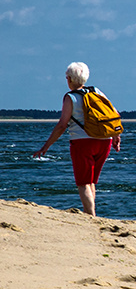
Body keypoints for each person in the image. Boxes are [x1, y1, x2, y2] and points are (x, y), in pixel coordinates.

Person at [33, 61, 121, 217]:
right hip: (104, 141)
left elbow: (62, 125)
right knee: (91, 180)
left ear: (69, 79)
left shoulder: (70, 98)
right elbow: (112, 114)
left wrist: (46, 146)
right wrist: (116, 135)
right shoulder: (97, 91)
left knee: (83, 182)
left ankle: (90, 215)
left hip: (82, 142)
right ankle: (91, 213)